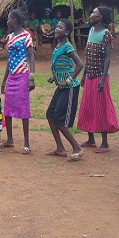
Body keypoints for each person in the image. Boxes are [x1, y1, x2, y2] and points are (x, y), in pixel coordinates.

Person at [76, 6, 119, 152]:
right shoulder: (91, 31)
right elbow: (88, 57)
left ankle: (105, 143)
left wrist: (102, 79)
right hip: (90, 75)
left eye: (93, 13)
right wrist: (84, 75)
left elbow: (107, 59)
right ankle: (91, 138)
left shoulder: (106, 34)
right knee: (88, 105)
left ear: (100, 17)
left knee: (101, 108)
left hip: (100, 76)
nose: (90, 15)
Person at [45, 19, 84, 161]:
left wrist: (68, 80)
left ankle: (77, 147)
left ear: (66, 32)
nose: (56, 29)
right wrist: (54, 78)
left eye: (60, 27)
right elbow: (62, 66)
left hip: (69, 87)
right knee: (50, 114)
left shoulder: (67, 46)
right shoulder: (58, 46)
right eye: (56, 27)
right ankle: (60, 148)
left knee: (59, 119)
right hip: (61, 86)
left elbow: (79, 64)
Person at [0, 8, 35, 154]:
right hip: (12, 77)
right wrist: (4, 81)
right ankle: (10, 139)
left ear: (15, 19)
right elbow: (10, 61)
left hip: (22, 76)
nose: (8, 21)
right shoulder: (10, 37)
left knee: (23, 109)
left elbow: (31, 57)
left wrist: (31, 78)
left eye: (9, 19)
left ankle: (26, 143)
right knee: (7, 108)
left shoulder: (26, 36)